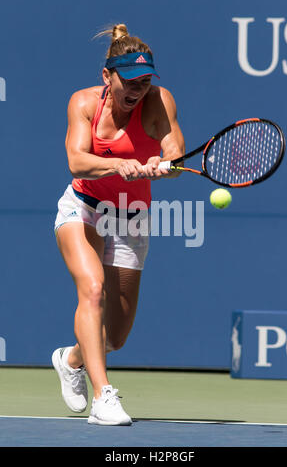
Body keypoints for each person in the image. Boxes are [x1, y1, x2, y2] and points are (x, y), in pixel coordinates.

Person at [52, 23, 185, 426]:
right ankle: (103, 397)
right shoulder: (84, 103)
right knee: (92, 290)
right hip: (84, 206)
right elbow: (76, 161)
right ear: (107, 76)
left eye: (144, 81)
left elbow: (175, 151)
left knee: (116, 337)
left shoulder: (159, 100)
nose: (138, 89)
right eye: (129, 81)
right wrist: (117, 163)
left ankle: (71, 359)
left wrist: (165, 167)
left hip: (131, 217)